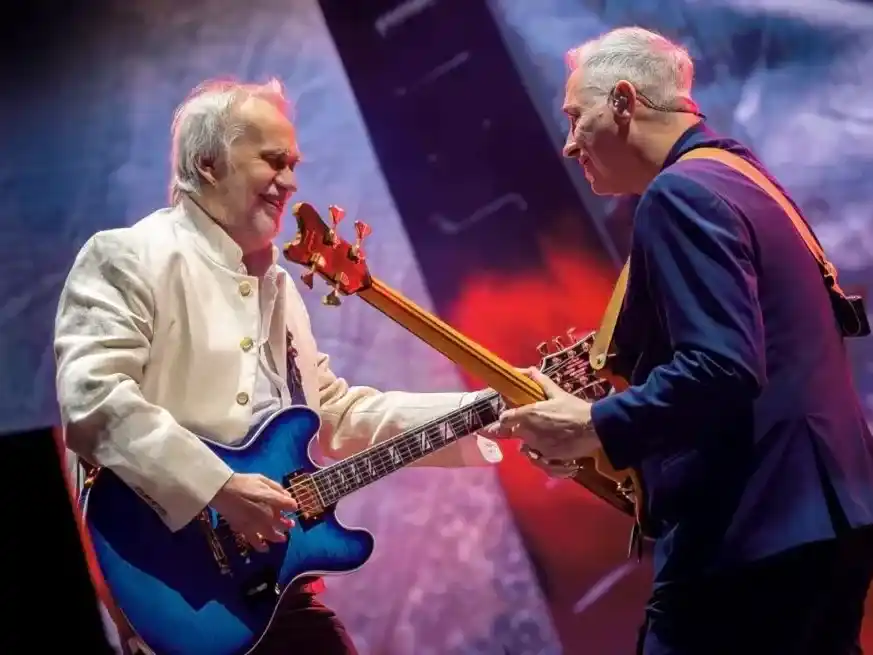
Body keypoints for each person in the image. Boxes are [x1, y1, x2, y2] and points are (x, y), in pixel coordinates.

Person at [53, 78, 501, 655]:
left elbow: (332, 411)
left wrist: (491, 407)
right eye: (273, 161)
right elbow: (93, 399)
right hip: (179, 594)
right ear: (209, 163)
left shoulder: (277, 286)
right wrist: (220, 487)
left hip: (279, 588)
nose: (290, 182)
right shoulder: (128, 256)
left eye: (293, 164)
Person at [484, 27, 873, 655]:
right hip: (829, 516)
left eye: (575, 117)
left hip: (751, 535)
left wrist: (594, 424)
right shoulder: (740, 175)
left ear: (624, 101)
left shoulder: (678, 194)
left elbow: (721, 367)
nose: (567, 144)